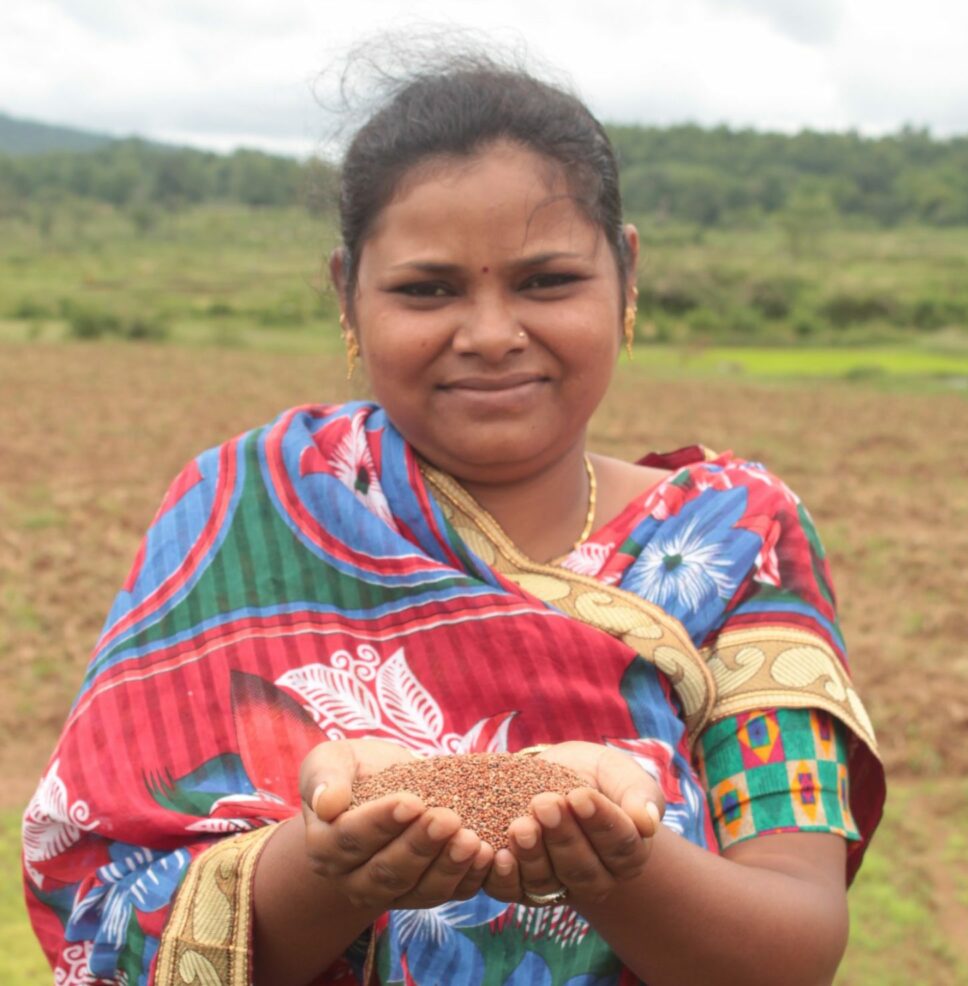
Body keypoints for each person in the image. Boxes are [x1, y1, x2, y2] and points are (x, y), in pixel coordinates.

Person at [23, 51, 884, 986]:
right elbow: (107, 910)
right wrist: (329, 866)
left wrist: (619, 863)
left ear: (626, 274)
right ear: (348, 290)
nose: (489, 333)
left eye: (547, 281)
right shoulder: (245, 506)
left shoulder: (733, 539)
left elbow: (793, 942)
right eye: (427, 290)